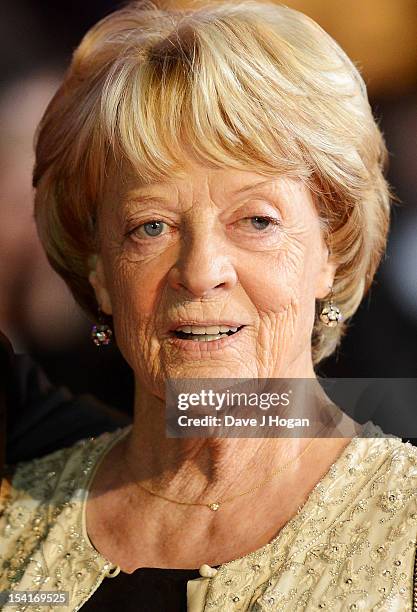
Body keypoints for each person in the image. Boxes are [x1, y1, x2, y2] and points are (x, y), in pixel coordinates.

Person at [1, 1, 416, 610]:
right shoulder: (19, 506)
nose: (199, 273)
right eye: (150, 227)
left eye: (255, 220)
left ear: (332, 247)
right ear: (100, 268)